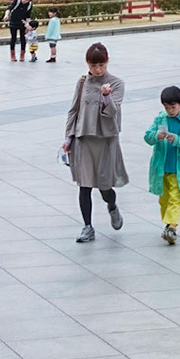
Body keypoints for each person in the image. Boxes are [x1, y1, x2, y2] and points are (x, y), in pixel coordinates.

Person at [62, 43, 126, 242]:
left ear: (107, 62)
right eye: (94, 65)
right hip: (84, 138)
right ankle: (87, 227)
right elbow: (73, 110)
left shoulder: (116, 83)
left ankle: (112, 206)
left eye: (102, 65)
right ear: (87, 64)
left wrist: (106, 97)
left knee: (105, 186)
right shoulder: (82, 83)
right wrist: (68, 137)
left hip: (106, 140)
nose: (98, 70)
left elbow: (113, 112)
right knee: (85, 185)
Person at [144, 85, 180, 245]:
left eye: (173, 107)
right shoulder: (160, 120)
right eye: (167, 107)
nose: (170, 110)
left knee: (175, 198)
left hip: (179, 168)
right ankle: (169, 225)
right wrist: (156, 136)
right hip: (163, 167)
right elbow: (147, 137)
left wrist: (177, 139)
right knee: (164, 198)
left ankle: (172, 227)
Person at [5, 0, 34, 64]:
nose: (24, 0)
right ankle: (12, 55)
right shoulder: (17, 1)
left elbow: (28, 16)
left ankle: (22, 55)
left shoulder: (29, 5)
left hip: (22, 23)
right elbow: (9, 8)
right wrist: (6, 15)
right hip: (13, 22)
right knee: (13, 38)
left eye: (27, 0)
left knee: (22, 39)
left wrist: (28, 26)